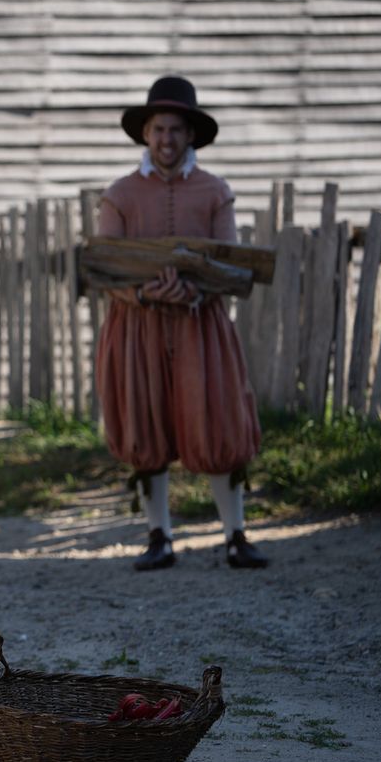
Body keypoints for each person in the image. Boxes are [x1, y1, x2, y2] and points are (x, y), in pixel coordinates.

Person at [96, 76, 269, 572]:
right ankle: (159, 537)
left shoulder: (215, 192)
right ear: (145, 134)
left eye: (175, 129)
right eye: (157, 129)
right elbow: (105, 265)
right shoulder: (121, 194)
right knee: (144, 423)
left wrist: (195, 290)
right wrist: (146, 292)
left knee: (218, 418)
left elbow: (230, 263)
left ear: (190, 134)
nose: (166, 139)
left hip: (201, 325)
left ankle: (236, 536)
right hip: (137, 325)